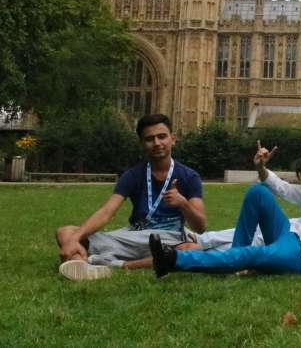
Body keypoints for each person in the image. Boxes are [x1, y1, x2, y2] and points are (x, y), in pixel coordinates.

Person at [149, 142, 301, 277]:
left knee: (253, 254)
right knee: (258, 192)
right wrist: (260, 167)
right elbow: (281, 188)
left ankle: (173, 260)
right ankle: (234, 260)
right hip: (292, 236)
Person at [55, 114, 206, 281]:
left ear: (173, 139)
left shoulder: (189, 177)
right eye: (150, 139)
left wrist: (183, 203)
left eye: (162, 136)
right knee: (65, 232)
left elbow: (200, 227)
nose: (157, 143)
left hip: (168, 239)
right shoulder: (133, 175)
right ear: (142, 144)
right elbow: (107, 212)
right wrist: (74, 238)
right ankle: (81, 265)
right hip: (132, 237)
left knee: (193, 249)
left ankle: (121, 265)